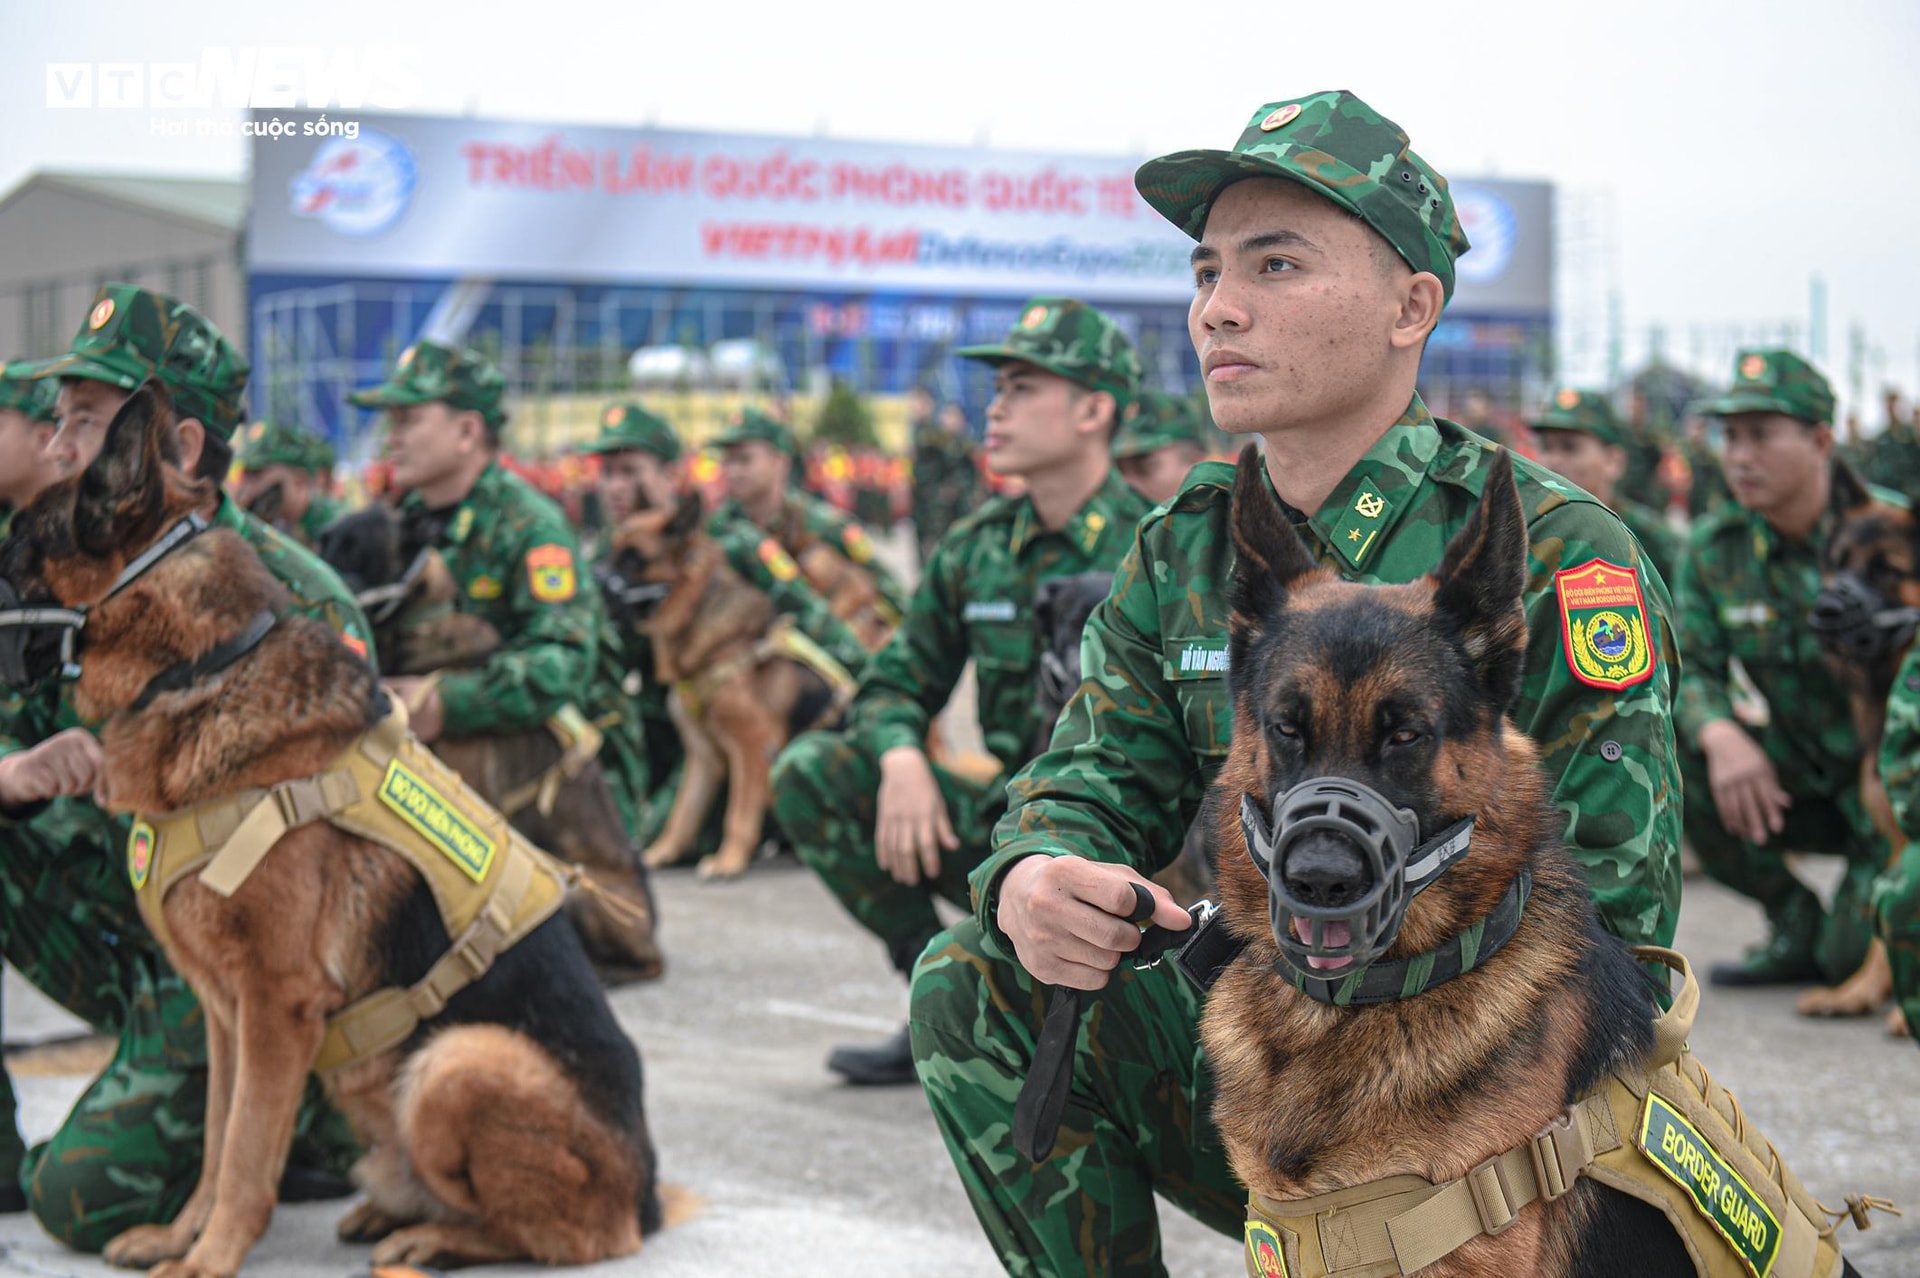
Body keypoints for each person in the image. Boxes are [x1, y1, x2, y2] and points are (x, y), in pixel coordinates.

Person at [907, 91, 1681, 1272]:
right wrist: (1037, 873)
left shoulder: (1556, 547)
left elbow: (1618, 926)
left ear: (1410, 306)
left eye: (1276, 264)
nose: (1218, 307)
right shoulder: (1190, 544)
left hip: (1488, 1128)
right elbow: (1085, 777)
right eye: (1209, 269)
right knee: (977, 978)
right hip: (1268, 1069)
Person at [0, 284, 370, 1246]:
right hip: (143, 916)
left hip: (256, 968)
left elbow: (322, 912)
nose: (56, 445)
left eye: (85, 419)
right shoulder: (66, 569)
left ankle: (300, 1140)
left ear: (177, 451)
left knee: (82, 1203)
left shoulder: (293, 605)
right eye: (56, 419)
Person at [772, 297, 1152, 1087]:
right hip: (1014, 828)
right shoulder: (978, 550)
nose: (996, 408)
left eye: (1022, 388)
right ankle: (950, 1002)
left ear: (1094, 409)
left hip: (1137, 845)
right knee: (812, 772)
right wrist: (903, 756)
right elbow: (894, 681)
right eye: (998, 388)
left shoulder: (1160, 546)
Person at [1676, 348, 1890, 986]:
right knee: (1674, 762)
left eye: (1762, 436)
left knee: (1849, 962)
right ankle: (1795, 920)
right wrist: (1720, 732)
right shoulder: (1718, 550)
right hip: (1801, 775)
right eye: (1731, 436)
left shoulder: (1892, 532)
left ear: (1822, 439)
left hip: (1895, 789)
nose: (1740, 455)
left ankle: (1862, 927)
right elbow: (1691, 670)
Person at [579, 401, 870, 845]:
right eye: (608, 473)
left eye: (631, 471)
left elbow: (813, 618)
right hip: (652, 723)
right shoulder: (610, 554)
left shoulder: (727, 539)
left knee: (649, 839)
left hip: (716, 725)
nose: (616, 487)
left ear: (668, 475)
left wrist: (878, 694)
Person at [348, 339, 596, 752]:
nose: (393, 439)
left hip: (533, 773)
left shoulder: (529, 528)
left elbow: (564, 660)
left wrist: (447, 703)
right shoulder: (401, 519)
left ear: (467, 432)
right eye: (392, 423)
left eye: (408, 421)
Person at [711, 407, 909, 620]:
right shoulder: (715, 530)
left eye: (744, 460)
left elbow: (888, 588)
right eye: (727, 461)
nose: (732, 471)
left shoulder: (822, 524)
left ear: (780, 462)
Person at [1530, 387, 1682, 583]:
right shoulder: (1529, 533)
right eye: (1546, 447)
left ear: (1613, 461)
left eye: (1570, 447)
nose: (1552, 461)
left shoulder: (1651, 540)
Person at [230, 417, 345, 548]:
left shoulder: (331, 529)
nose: (250, 486)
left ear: (299, 480)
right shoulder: (284, 525)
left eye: (256, 475)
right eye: (247, 475)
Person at [910, 390, 982, 566]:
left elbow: (972, 475)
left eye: (955, 416)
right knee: (928, 544)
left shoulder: (964, 444)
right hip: (929, 503)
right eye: (948, 415)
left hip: (956, 504)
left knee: (956, 543)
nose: (951, 420)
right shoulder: (933, 438)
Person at [1112, 389, 1210, 506]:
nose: (1126, 484)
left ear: (1196, 465)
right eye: (1119, 471)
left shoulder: (1230, 519)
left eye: (1143, 468)